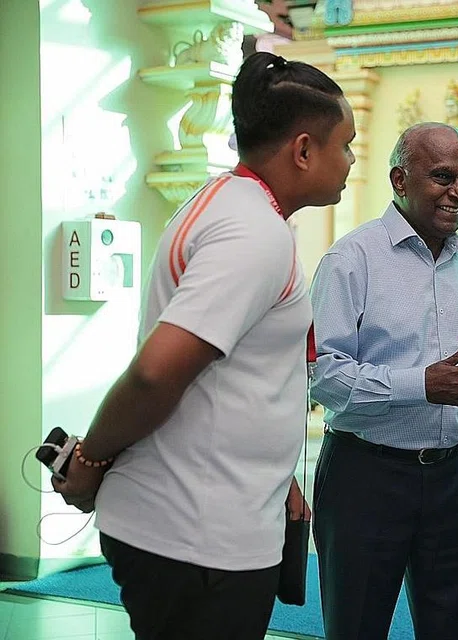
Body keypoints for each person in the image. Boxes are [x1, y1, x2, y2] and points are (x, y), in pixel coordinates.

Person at [53, 51, 356, 640]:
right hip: (197, 539)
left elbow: (233, 374)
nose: (350, 160)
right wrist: (88, 461)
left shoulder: (230, 202)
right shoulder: (254, 234)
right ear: (302, 150)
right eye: (345, 145)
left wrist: (277, 476)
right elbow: (156, 373)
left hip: (202, 522)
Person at [309, 122, 458, 640]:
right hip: (366, 475)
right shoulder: (350, 260)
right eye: (443, 177)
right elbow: (322, 376)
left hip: (456, 478)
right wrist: (418, 385)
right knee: (357, 626)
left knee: (457, 629)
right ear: (400, 180)